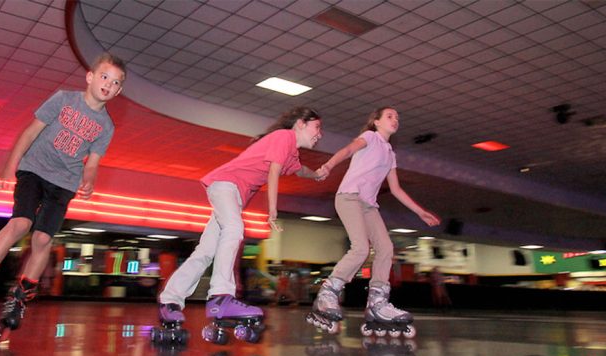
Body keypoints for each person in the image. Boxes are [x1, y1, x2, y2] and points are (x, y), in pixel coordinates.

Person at [0, 52, 126, 347]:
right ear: (90, 77)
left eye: (115, 82)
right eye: (104, 77)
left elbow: (92, 162)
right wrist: (9, 166)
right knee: (20, 224)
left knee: (43, 240)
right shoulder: (63, 100)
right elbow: (29, 133)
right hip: (33, 170)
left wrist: (90, 179)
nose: (108, 84)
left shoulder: (106, 127)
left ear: (118, 91)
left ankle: (18, 301)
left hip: (64, 183)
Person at [154, 107, 325, 343]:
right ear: (300, 123)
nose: (320, 134)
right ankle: (220, 297)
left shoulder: (291, 152)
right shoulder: (284, 137)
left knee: (205, 251)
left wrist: (316, 173)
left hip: (231, 193)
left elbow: (299, 170)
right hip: (226, 186)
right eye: (317, 127)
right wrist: (272, 209)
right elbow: (274, 170)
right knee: (235, 230)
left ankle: (169, 300)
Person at [308, 106, 441, 335]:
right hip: (349, 197)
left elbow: (396, 189)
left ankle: (377, 304)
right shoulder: (369, 137)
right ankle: (328, 293)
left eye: (398, 117)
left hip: (368, 205)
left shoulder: (390, 153)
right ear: (376, 122)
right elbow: (349, 149)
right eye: (390, 116)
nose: (395, 119)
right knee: (361, 248)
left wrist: (420, 211)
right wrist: (329, 166)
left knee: (386, 248)